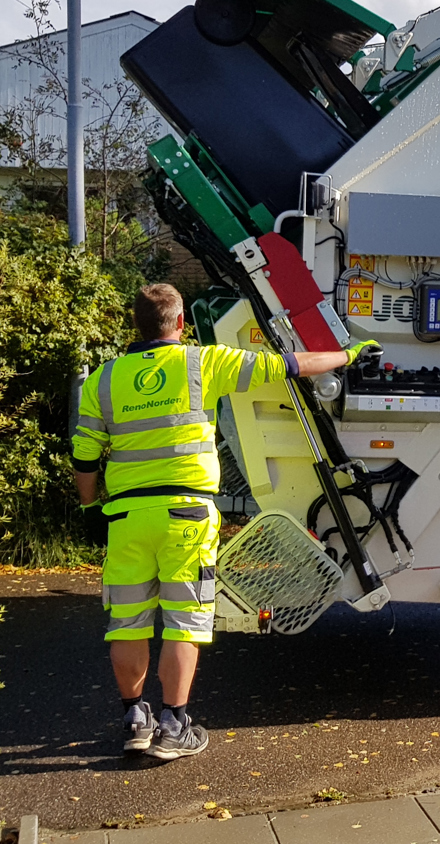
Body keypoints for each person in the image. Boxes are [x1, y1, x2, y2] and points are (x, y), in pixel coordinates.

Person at [72, 283, 379, 760]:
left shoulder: (103, 380)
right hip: (187, 516)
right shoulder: (202, 362)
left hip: (128, 518)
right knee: (183, 623)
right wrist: (347, 354)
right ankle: (174, 726)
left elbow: (85, 458)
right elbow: (290, 365)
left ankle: (135, 718)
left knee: (126, 624)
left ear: (137, 324)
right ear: (179, 324)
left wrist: (91, 503)